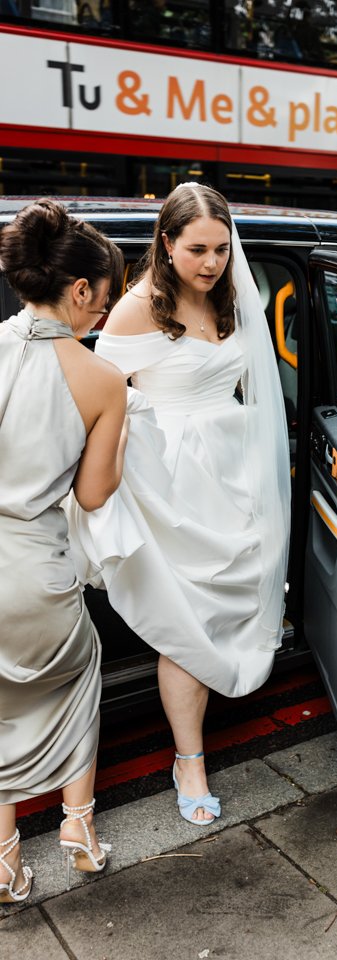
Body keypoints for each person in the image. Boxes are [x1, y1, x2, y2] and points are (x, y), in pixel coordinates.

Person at [66, 183, 291, 827]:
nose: (213, 262)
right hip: (173, 488)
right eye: (198, 249)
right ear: (166, 243)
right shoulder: (137, 309)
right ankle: (188, 759)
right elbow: (96, 392)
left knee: (233, 609)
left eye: (222, 249)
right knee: (187, 628)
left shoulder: (235, 299)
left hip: (238, 477)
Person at [0, 199, 127, 902]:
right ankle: (78, 825)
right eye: (102, 302)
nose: (101, 316)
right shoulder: (100, 378)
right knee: (80, 676)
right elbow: (94, 495)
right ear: (79, 290)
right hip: (36, 572)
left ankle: (5, 861)